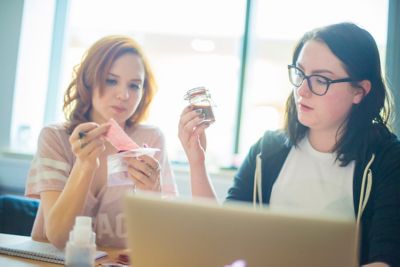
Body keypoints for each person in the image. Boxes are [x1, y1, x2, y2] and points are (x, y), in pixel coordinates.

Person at [178, 22, 400, 266]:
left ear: (359, 91)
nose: (302, 90)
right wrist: (197, 162)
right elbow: (221, 238)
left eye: (321, 80)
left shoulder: (387, 160)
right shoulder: (268, 150)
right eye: (300, 74)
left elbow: (385, 259)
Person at [25, 35, 177, 249]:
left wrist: (152, 192)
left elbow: (162, 242)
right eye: (111, 80)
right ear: (89, 80)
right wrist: (84, 165)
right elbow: (58, 237)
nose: (123, 95)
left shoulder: (150, 140)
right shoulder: (54, 138)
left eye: (134, 86)